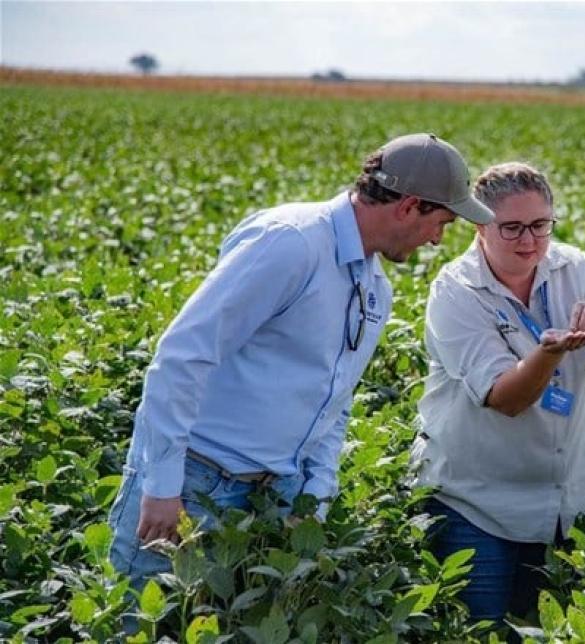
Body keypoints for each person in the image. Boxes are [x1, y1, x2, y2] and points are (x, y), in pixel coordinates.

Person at [108, 133, 494, 594]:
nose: (437, 239)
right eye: (442, 222)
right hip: (193, 482)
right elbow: (182, 357)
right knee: (141, 624)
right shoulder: (290, 243)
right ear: (409, 206)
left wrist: (314, 499)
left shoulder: (374, 287)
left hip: (273, 499)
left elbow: (335, 399)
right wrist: (164, 484)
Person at [410, 162, 585, 624]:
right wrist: (550, 351)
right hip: (476, 507)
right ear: (479, 227)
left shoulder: (572, 266)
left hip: (564, 507)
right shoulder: (455, 291)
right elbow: (506, 398)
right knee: (483, 632)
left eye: (540, 225)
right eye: (512, 228)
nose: (529, 241)